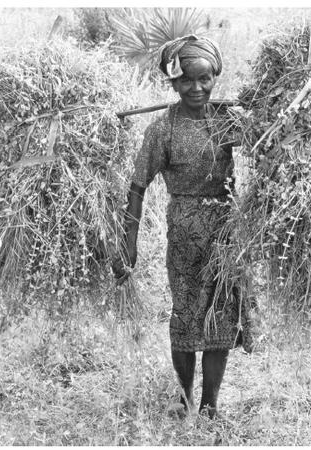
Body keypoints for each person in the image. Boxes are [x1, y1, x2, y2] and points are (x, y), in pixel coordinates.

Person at [112, 35, 252, 419]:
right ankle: (184, 398)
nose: (196, 88)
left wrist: (263, 107)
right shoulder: (163, 130)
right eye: (186, 80)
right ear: (173, 83)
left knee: (221, 317)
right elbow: (137, 186)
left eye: (205, 79)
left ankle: (209, 406)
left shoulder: (226, 120)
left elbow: (266, 141)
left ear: (215, 78)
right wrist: (129, 242)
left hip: (225, 232)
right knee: (187, 316)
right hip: (185, 233)